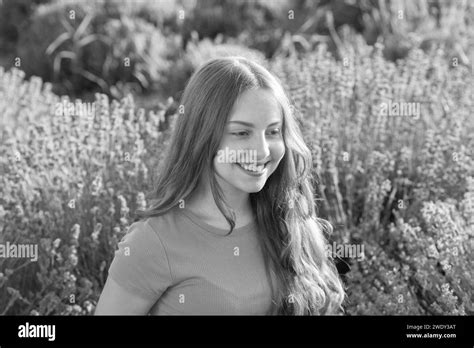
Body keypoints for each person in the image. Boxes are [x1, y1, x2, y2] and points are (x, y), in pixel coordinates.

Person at [95, 56, 346, 315]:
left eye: (273, 132)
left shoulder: (288, 220)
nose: (261, 151)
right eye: (241, 133)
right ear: (202, 135)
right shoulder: (153, 241)